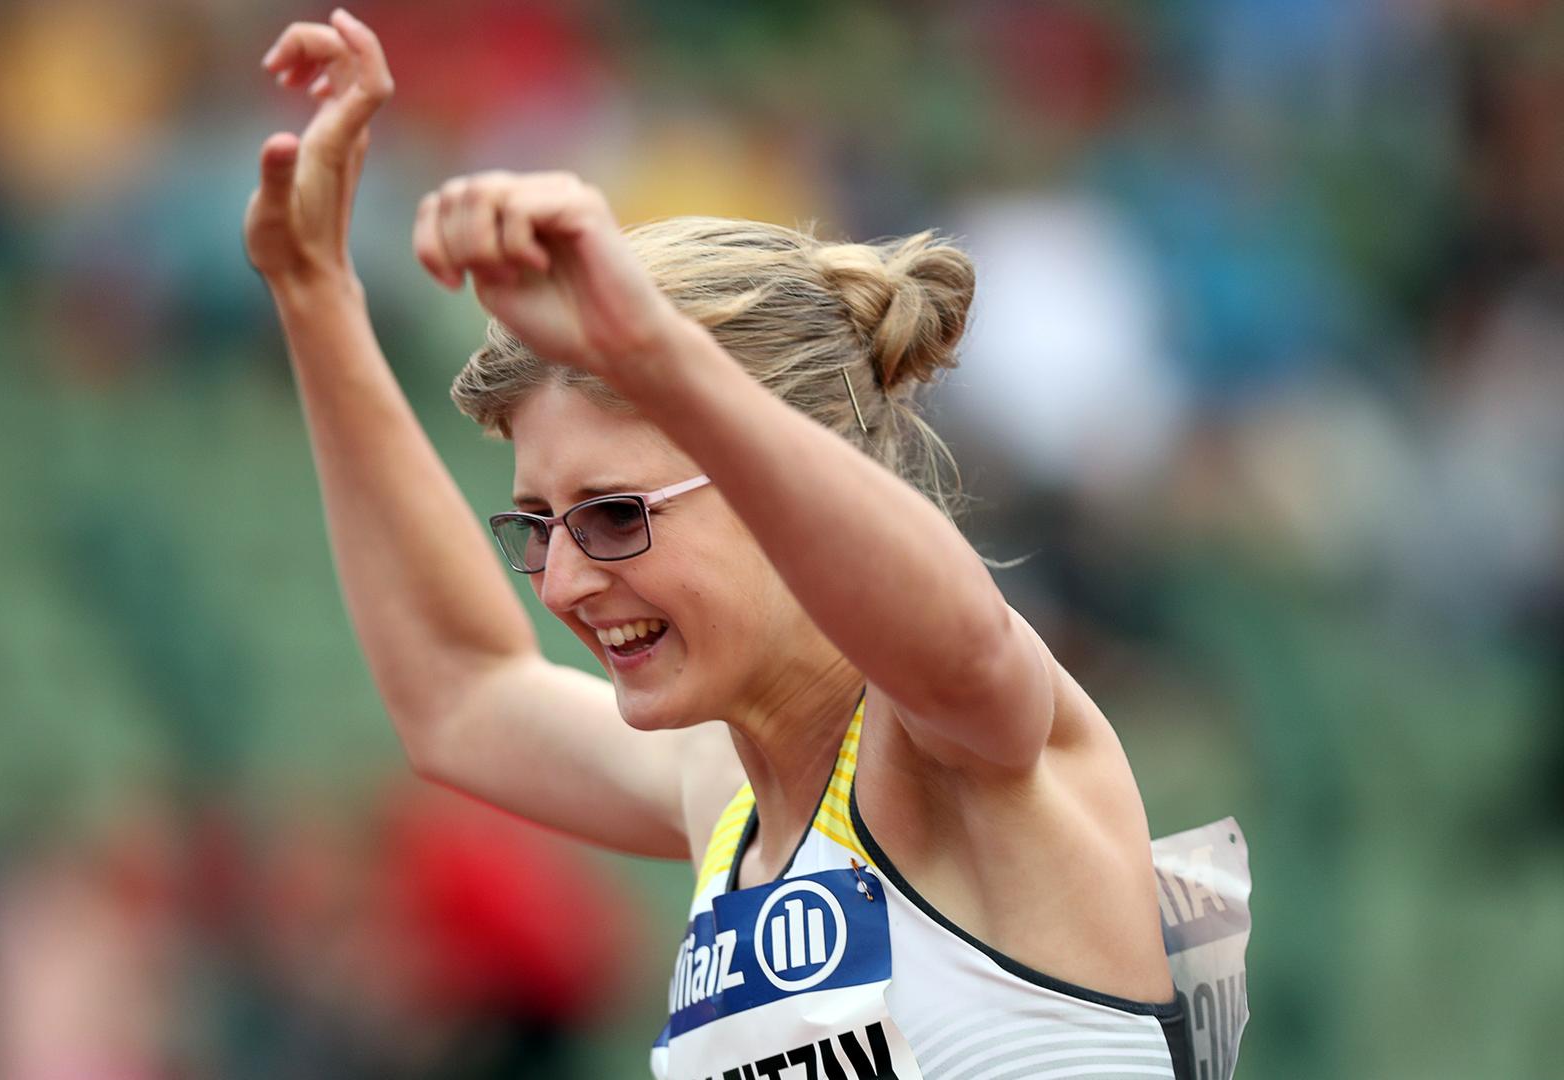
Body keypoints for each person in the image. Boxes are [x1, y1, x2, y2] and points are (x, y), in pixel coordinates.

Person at [244, 11, 1205, 1078]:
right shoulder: (729, 794)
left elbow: (965, 644)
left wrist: (657, 354)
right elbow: (460, 691)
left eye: (617, 516)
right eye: (539, 525)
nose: (561, 580)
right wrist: (313, 290)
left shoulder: (955, 752)